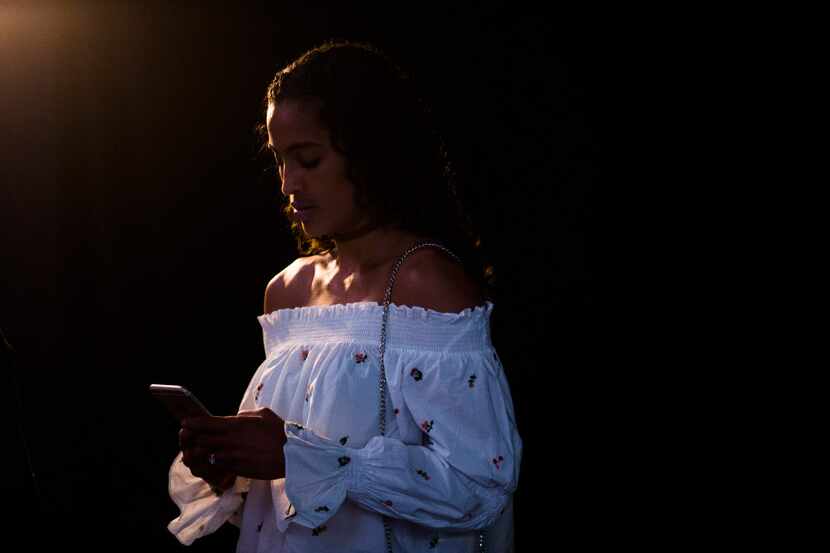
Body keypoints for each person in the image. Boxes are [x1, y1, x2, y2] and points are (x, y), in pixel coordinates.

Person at [166, 40, 522, 552]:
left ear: (372, 152)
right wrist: (232, 465)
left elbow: (478, 489)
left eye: (308, 159)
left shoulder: (427, 286)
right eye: (279, 159)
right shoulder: (286, 292)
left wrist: (298, 457)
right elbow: (284, 504)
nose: (289, 183)